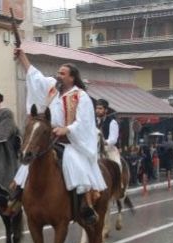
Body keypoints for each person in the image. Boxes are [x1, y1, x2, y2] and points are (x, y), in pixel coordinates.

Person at [9, 48, 107, 224]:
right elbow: (35, 77)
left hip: (71, 142)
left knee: (74, 163)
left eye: (62, 73)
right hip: (48, 140)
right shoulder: (53, 89)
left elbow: (85, 121)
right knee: (27, 163)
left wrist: (67, 129)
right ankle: (16, 198)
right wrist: (23, 57)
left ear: (72, 77)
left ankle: (86, 204)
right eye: (58, 73)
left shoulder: (81, 96)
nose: (58, 76)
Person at [95, 99, 122, 168]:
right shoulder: (93, 121)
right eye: (96, 108)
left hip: (109, 149)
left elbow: (113, 139)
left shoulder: (112, 122)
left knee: (117, 165)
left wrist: (103, 142)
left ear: (106, 110)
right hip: (94, 149)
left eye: (100, 108)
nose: (97, 110)